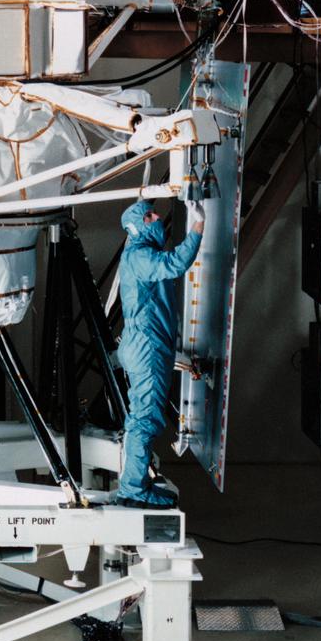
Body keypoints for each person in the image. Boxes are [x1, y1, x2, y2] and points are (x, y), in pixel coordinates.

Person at [115, 198, 205, 508]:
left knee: (138, 418)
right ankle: (133, 490)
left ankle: (133, 481)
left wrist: (179, 360)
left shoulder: (139, 255)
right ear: (139, 225)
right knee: (145, 421)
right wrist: (198, 226)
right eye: (150, 215)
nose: (157, 217)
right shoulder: (141, 255)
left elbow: (153, 313)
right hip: (146, 348)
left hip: (143, 346)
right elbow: (175, 265)